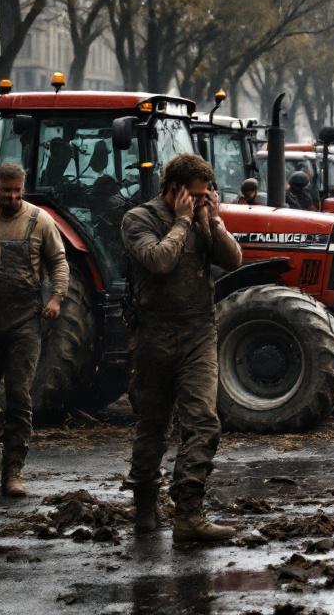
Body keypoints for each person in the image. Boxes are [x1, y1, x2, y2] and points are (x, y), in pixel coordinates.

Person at [121, 154, 244, 542]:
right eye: (196, 195)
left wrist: (214, 222)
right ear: (174, 190)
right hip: (154, 335)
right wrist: (182, 221)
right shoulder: (139, 219)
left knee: (203, 422)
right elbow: (158, 261)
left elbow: (233, 260)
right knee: (153, 425)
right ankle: (144, 508)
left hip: (198, 332)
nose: (202, 201)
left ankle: (189, 512)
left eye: (207, 195)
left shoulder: (203, 218)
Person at [0, 163, 68, 498]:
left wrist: (56, 297)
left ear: (23, 189)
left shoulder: (40, 221)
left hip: (24, 322)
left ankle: (12, 470)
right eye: (5, 190)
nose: (12, 197)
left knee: (18, 396)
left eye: (16, 191)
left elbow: (59, 262)